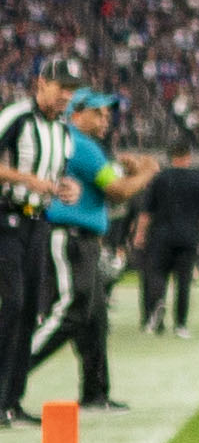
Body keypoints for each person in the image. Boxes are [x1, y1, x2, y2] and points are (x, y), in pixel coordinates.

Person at [33, 87, 151, 409]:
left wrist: (127, 174)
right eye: (98, 112)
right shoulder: (81, 145)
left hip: (79, 239)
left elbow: (108, 182)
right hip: (69, 237)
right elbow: (116, 191)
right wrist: (145, 173)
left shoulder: (78, 145)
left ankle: (96, 392)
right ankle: (9, 371)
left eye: (108, 113)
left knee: (95, 317)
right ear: (76, 113)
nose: (105, 119)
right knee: (71, 311)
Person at [0, 71, 68, 429]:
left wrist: (64, 189)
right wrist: (26, 179)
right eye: (62, 88)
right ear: (42, 83)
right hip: (7, 218)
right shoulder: (17, 117)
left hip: (37, 221)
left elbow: (55, 177)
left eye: (71, 91)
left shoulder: (62, 132)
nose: (66, 96)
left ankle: (12, 400)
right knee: (11, 304)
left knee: (30, 309)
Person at [136, 143, 199, 337]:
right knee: (183, 282)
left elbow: (146, 212)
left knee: (157, 275)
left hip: (160, 236)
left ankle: (158, 304)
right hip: (188, 237)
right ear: (188, 156)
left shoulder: (159, 179)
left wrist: (140, 235)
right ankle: (181, 324)